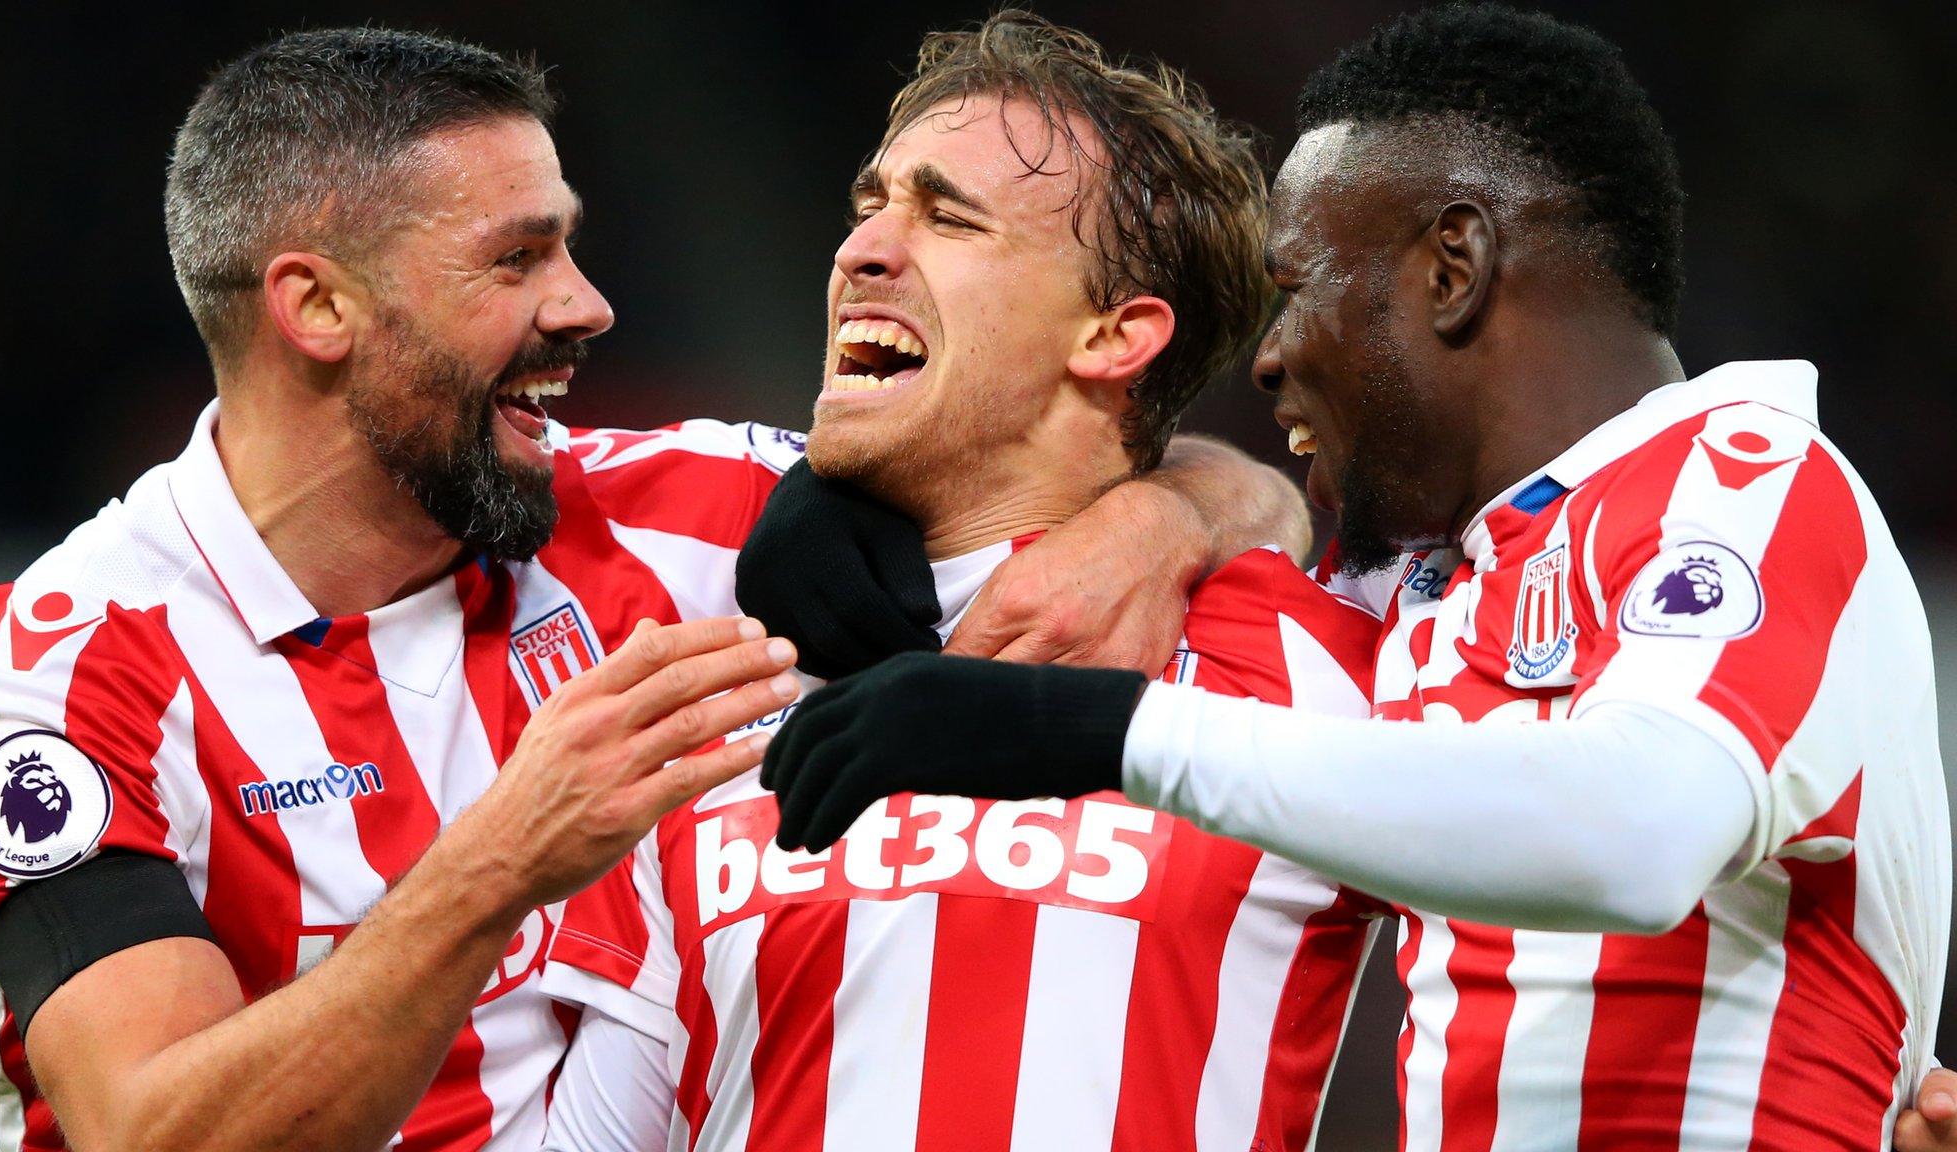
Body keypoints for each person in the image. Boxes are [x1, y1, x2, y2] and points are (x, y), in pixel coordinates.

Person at [0, 26, 1291, 1152]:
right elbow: (152, 1138)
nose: (588, 306)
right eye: (516, 261)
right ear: (317, 308)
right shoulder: (68, 662)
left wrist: (1167, 518)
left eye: (569, 246)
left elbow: (1057, 443)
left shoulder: (690, 516)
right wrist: (510, 854)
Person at [765, 6, 1954, 1149]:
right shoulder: (1441, 589)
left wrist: (1099, 729)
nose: (1271, 358)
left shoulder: (1745, 483)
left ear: (1451, 270)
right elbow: (1252, 523)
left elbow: (1638, 833)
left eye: (1297, 290)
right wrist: (861, 492)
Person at [533, 14, 1388, 1151]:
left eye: (946, 217)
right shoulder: (700, 671)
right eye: (868, 207)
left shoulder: (1336, 667)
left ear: (1115, 335)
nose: (862, 251)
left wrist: (1188, 506)